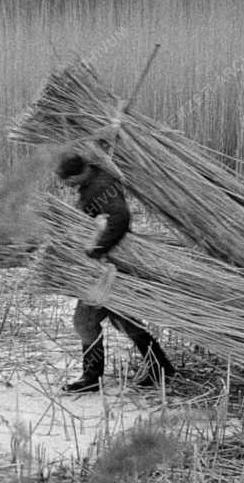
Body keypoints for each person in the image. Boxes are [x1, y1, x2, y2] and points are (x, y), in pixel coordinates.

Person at [55, 151, 175, 394]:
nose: (65, 185)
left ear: (79, 174)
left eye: (67, 181)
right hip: (112, 264)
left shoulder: (99, 187)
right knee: (124, 318)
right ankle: (159, 366)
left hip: (108, 266)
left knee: (85, 321)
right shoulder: (96, 178)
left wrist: (98, 249)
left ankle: (91, 377)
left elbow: (120, 217)